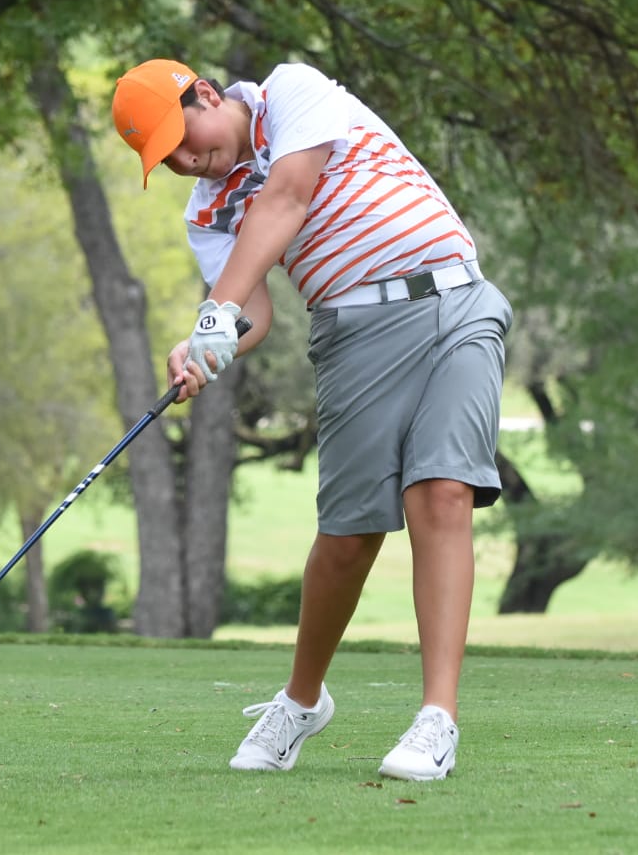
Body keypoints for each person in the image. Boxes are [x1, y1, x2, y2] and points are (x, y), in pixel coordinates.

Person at [110, 58, 511, 782]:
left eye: (182, 135)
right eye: (164, 157)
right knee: (348, 537)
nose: (182, 158)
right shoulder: (206, 210)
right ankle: (302, 699)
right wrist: (207, 347)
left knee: (441, 493)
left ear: (203, 92)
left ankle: (437, 718)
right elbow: (254, 310)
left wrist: (214, 313)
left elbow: (289, 197)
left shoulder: (290, 91)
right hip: (354, 335)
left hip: (456, 300)